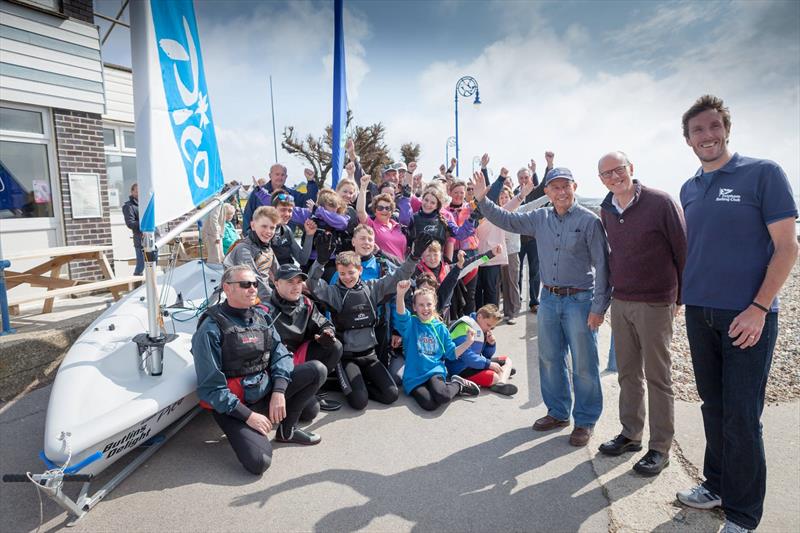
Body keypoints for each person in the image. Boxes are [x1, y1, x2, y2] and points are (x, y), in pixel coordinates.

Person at [674, 95, 798, 533]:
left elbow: (788, 247)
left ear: (726, 129)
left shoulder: (763, 173)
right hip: (700, 312)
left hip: (749, 316)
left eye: (713, 127)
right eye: (697, 131)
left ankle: (744, 515)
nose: (706, 136)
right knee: (714, 406)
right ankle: (717, 485)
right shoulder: (689, 188)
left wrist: (760, 307)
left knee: (743, 416)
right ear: (687, 140)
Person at [470, 166, 610, 447]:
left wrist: (599, 307)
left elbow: (604, 267)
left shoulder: (589, 221)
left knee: (584, 363)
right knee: (549, 358)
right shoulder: (539, 217)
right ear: (546, 192)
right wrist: (482, 200)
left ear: (574, 187)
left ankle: (585, 420)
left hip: (580, 300)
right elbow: (506, 220)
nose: (560, 192)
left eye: (565, 186)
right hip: (548, 299)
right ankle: (558, 412)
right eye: (554, 187)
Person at [595, 151, 687, 477]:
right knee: (628, 374)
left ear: (631, 169)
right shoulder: (606, 210)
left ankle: (660, 447)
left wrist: (680, 299)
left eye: (618, 170)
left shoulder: (661, 202)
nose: (614, 177)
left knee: (658, 377)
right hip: (622, 302)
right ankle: (631, 434)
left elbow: (683, 249)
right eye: (606, 174)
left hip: (656, 303)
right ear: (601, 180)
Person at [191, 265, 327, 475]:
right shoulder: (210, 329)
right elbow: (211, 389)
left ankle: (286, 431)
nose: (253, 289)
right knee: (259, 462)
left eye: (254, 283)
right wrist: (247, 416)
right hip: (234, 406)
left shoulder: (260, 317)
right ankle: (256, 423)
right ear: (227, 288)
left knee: (317, 371)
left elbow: (281, 354)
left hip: (263, 391)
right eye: (245, 284)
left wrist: (279, 391)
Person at [306, 232, 429, 410]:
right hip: (347, 358)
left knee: (391, 395)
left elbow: (400, 275)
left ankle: (353, 385)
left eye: (351, 272)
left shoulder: (373, 288)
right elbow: (313, 285)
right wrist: (320, 262)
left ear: (360, 270)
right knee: (359, 402)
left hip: (370, 355)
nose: (347, 277)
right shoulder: (333, 293)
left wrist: (414, 257)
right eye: (342, 273)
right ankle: (349, 385)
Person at [260, 263, 344, 415]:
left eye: (299, 282)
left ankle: (311, 389)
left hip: (298, 356)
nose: (296, 286)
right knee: (311, 412)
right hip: (276, 367)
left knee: (334, 345)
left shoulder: (305, 302)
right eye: (290, 282)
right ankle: (280, 399)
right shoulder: (264, 311)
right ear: (277, 284)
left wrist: (327, 333)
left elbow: (324, 323)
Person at [393, 280, 480, 411]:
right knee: (430, 404)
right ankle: (442, 387)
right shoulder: (411, 324)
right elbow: (401, 316)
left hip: (434, 371)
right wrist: (400, 295)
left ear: (434, 305)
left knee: (443, 396)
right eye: (421, 305)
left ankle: (457, 385)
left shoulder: (441, 328)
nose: (425, 308)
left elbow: (452, 354)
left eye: (429, 304)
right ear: (415, 307)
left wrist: (468, 342)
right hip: (414, 376)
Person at [447, 304, 517, 396]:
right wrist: (488, 364)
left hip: (473, 364)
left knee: (506, 360)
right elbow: (467, 357)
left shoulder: (480, 327)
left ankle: (501, 383)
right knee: (494, 377)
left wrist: (490, 344)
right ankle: (500, 377)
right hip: (460, 368)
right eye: (488, 325)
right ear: (479, 317)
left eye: (491, 327)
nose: (489, 329)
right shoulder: (464, 327)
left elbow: (485, 355)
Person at [223, 205, 279, 302]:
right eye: (264, 226)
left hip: (261, 294)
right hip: (245, 297)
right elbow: (254, 279)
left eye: (272, 228)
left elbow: (279, 273)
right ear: (253, 225)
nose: (268, 231)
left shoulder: (267, 248)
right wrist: (274, 301)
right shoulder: (243, 249)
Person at [242, 164, 319, 231]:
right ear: (270, 175)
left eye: (282, 175)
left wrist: (311, 181)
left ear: (286, 177)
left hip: (286, 241)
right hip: (261, 240)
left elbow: (309, 202)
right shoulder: (257, 193)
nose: (280, 177)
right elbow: (247, 215)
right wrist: (249, 236)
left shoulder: (292, 194)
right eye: (277, 174)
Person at [122, 183, 144, 275]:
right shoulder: (128, 206)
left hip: (153, 237)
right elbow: (130, 223)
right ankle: (137, 287)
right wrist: (145, 223)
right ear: (132, 192)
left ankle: (151, 286)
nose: (139, 193)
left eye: (141, 191)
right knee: (141, 266)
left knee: (154, 263)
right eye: (137, 191)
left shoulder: (145, 203)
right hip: (140, 239)